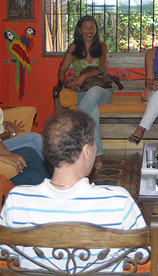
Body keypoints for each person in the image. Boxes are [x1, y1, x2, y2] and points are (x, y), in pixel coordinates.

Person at [0, 109, 146, 271]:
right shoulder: (119, 201)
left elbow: (3, 254)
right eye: (94, 143)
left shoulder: (17, 199)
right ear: (87, 152)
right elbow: (142, 255)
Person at [58, 15, 111, 170]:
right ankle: (97, 155)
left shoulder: (102, 47)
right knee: (92, 111)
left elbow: (102, 68)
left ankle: (74, 130)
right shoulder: (74, 48)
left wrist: (82, 76)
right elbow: (61, 71)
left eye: (92, 27)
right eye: (86, 27)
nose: (89, 30)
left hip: (103, 91)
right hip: (82, 93)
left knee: (94, 91)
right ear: (80, 30)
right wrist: (66, 83)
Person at [0, 66, 44, 160]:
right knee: (35, 139)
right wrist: (9, 135)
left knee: (34, 151)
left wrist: (6, 124)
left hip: (1, 140)